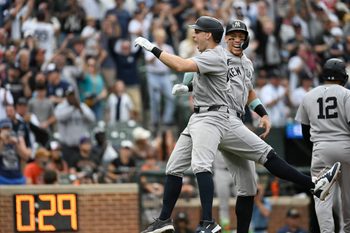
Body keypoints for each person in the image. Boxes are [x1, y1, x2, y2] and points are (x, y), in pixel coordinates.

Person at [137, 18, 340, 233]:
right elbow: (190, 68)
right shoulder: (218, 55)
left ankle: (311, 186)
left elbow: (247, 91)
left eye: (240, 37)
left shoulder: (246, 63)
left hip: (228, 117)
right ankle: (313, 184)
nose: (236, 40)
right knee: (197, 166)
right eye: (232, 36)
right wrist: (187, 86)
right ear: (224, 39)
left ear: (246, 41)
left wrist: (262, 113)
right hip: (215, 117)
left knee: (248, 185)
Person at [136, 16, 231, 233]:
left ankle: (208, 221)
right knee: (174, 167)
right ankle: (164, 220)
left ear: (208, 34)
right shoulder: (206, 55)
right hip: (198, 115)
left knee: (201, 166)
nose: (194, 34)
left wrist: (153, 49)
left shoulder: (215, 55)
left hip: (212, 116)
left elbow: (180, 65)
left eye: (198, 31)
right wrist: (187, 89)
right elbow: (201, 79)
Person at [295, 58, 349, 231]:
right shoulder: (347, 94)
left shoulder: (309, 95)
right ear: (344, 76)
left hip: (321, 147)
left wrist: (317, 149)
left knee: (321, 196)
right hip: (345, 145)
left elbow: (304, 130)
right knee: (348, 197)